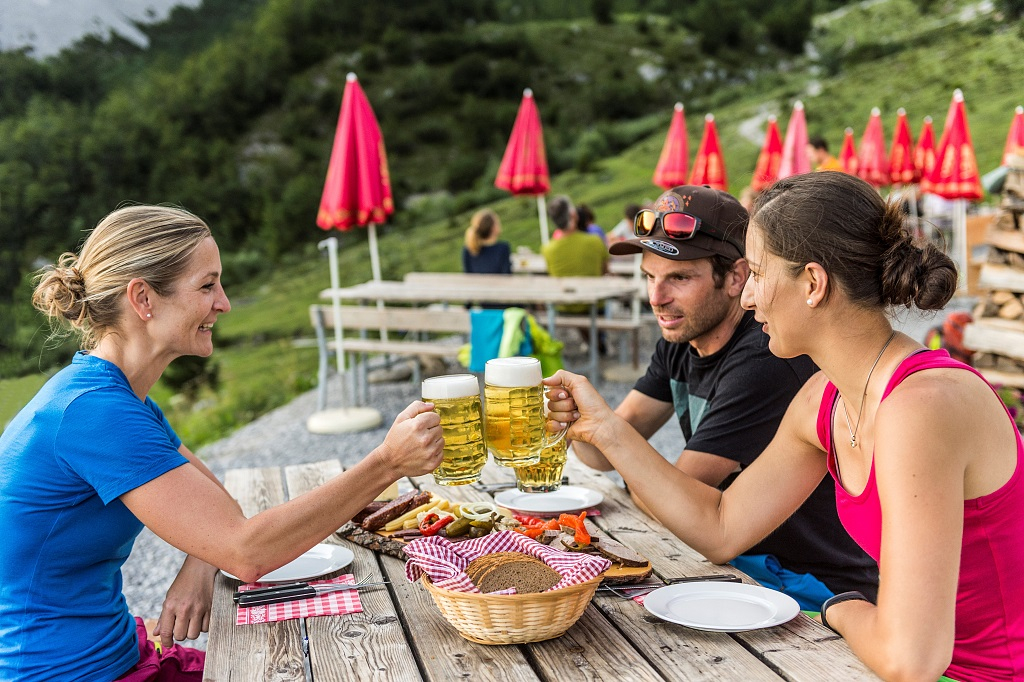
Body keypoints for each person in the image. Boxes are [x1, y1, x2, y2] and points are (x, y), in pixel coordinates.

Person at [547, 172, 1024, 681]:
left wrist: (840, 607)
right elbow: (722, 528)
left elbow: (911, 660)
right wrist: (605, 429)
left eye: (756, 273)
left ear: (813, 284)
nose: (747, 297)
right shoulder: (825, 397)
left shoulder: (919, 406)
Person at [0, 205, 445, 681]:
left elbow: (217, 506)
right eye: (207, 285)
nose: (224, 303)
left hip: (115, 653)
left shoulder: (116, 397)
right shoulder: (94, 413)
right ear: (143, 299)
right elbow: (246, 551)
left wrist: (201, 560)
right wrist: (387, 462)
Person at [571, 184, 878, 610]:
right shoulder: (682, 338)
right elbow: (605, 457)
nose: (656, 299)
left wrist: (621, 448)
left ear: (736, 278)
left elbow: (678, 503)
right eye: (649, 277)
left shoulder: (768, 356)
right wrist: (578, 422)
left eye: (678, 277)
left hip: (813, 588)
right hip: (743, 564)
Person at [542, 195, 610, 352]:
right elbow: (604, 271)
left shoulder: (548, 249)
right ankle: (597, 344)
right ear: (574, 215)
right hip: (593, 305)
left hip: (563, 307)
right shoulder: (594, 241)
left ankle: (593, 343)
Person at [462, 208, 511, 275]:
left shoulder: (469, 249)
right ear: (493, 228)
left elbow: (468, 277)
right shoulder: (503, 248)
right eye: (497, 222)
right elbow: (507, 275)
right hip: (498, 285)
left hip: (476, 285)